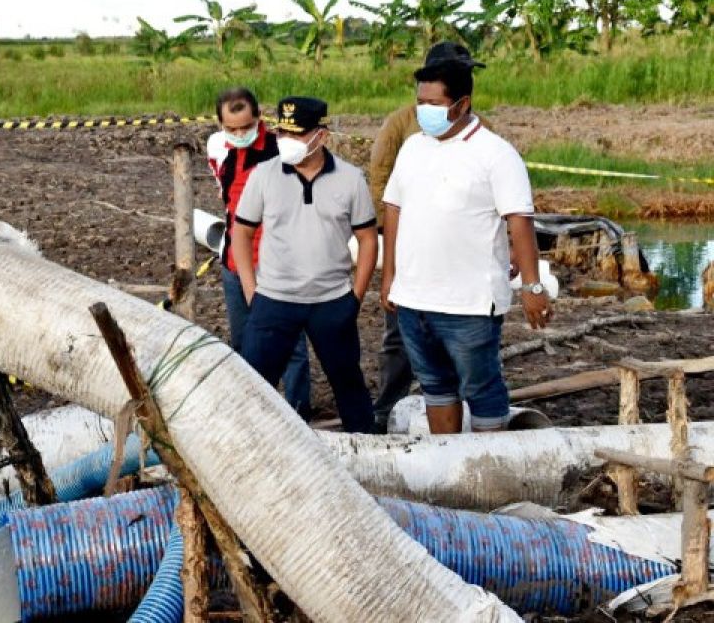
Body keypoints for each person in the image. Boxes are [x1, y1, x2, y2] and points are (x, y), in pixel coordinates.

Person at [380, 42, 551, 434]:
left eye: (433, 103)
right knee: (436, 388)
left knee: (482, 389)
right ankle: (451, 465)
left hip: (469, 304)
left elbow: (520, 222)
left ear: (462, 104)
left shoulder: (495, 154)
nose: (424, 110)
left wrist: (532, 285)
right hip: (413, 299)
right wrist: (389, 276)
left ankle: (490, 470)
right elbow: (393, 209)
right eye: (419, 101)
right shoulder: (412, 147)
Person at [232, 96, 378, 433]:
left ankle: (366, 454)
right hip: (274, 300)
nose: (287, 141)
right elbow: (241, 233)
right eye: (282, 132)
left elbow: (368, 239)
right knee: (251, 387)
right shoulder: (264, 175)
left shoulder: (350, 179)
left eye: (297, 135)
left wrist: (355, 297)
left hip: (331, 302)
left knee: (349, 387)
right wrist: (252, 292)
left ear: (321, 136)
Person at [368, 95, 496, 433]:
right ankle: (387, 409)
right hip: (412, 264)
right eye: (423, 96)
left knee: (467, 355)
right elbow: (381, 181)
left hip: (459, 269)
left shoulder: (484, 138)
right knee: (398, 342)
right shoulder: (401, 127)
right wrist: (397, 243)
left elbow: (495, 200)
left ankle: (469, 418)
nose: (429, 106)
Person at [206, 87, 313, 419]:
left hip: (276, 265)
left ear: (259, 119)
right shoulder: (217, 149)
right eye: (231, 129)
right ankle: (251, 413)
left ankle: (298, 415)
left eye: (246, 127)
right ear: (220, 125)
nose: (239, 135)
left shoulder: (282, 152)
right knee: (242, 341)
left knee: (290, 346)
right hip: (234, 264)